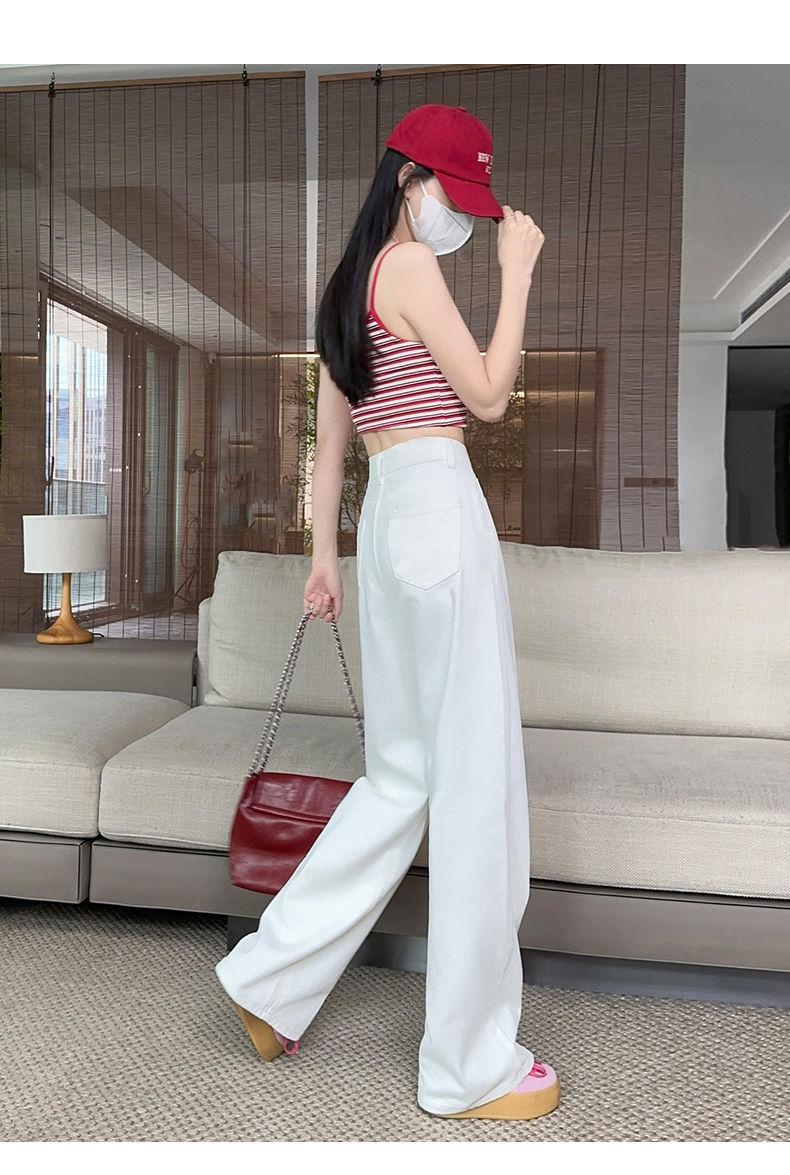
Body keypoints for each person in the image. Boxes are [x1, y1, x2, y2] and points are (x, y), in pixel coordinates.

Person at [214, 103, 556, 1122]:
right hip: (440, 508)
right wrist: (518, 274)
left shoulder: (346, 285)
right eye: (461, 194)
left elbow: (330, 451)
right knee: (474, 784)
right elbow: (486, 395)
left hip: (386, 526)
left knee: (399, 777)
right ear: (411, 180)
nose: (470, 218)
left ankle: (269, 978)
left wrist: (325, 559)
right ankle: (466, 1064)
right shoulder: (409, 266)